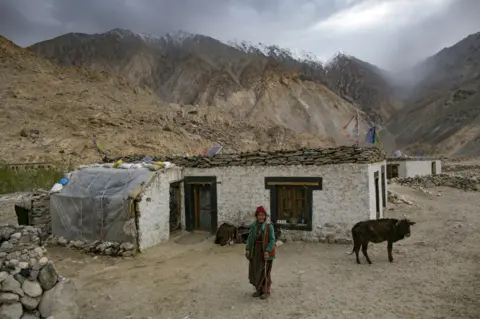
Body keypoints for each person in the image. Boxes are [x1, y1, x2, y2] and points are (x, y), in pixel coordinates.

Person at [245, 205, 276, 299]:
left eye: (263, 215)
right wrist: (248, 248)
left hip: (265, 251)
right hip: (255, 251)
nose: (261, 217)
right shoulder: (254, 226)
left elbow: (272, 240)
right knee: (256, 270)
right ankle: (258, 290)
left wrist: (267, 251)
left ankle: (266, 291)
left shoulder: (269, 226)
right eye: (259, 215)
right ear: (256, 216)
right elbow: (250, 238)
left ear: (265, 216)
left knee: (265, 270)